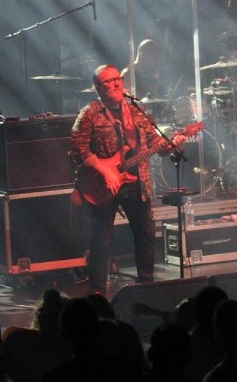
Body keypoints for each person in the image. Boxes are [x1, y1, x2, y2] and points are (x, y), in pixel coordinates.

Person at [72, 64, 185, 292]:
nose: (115, 84)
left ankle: (146, 285)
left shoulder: (136, 111)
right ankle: (98, 292)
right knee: (102, 240)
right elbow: (78, 147)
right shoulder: (90, 112)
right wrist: (104, 171)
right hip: (103, 185)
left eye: (117, 79)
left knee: (145, 235)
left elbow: (154, 144)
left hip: (137, 183)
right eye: (108, 81)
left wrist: (172, 143)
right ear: (97, 87)